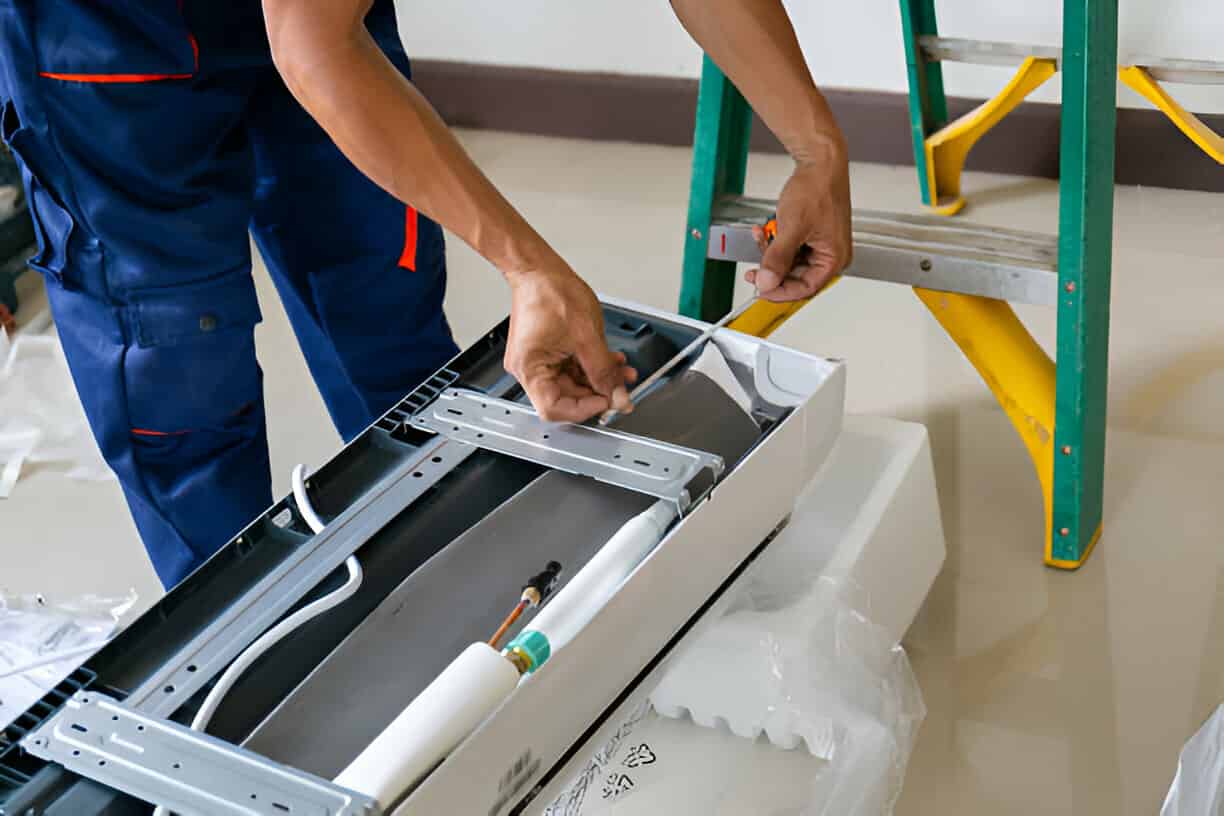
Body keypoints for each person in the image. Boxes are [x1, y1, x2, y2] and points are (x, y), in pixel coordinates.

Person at [0, 0, 851, 588]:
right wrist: (529, 267)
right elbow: (311, 47)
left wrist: (818, 152)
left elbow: (316, 38)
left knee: (383, 309)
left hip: (322, 22)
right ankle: (247, 700)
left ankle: (462, 588)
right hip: (108, 37)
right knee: (179, 380)